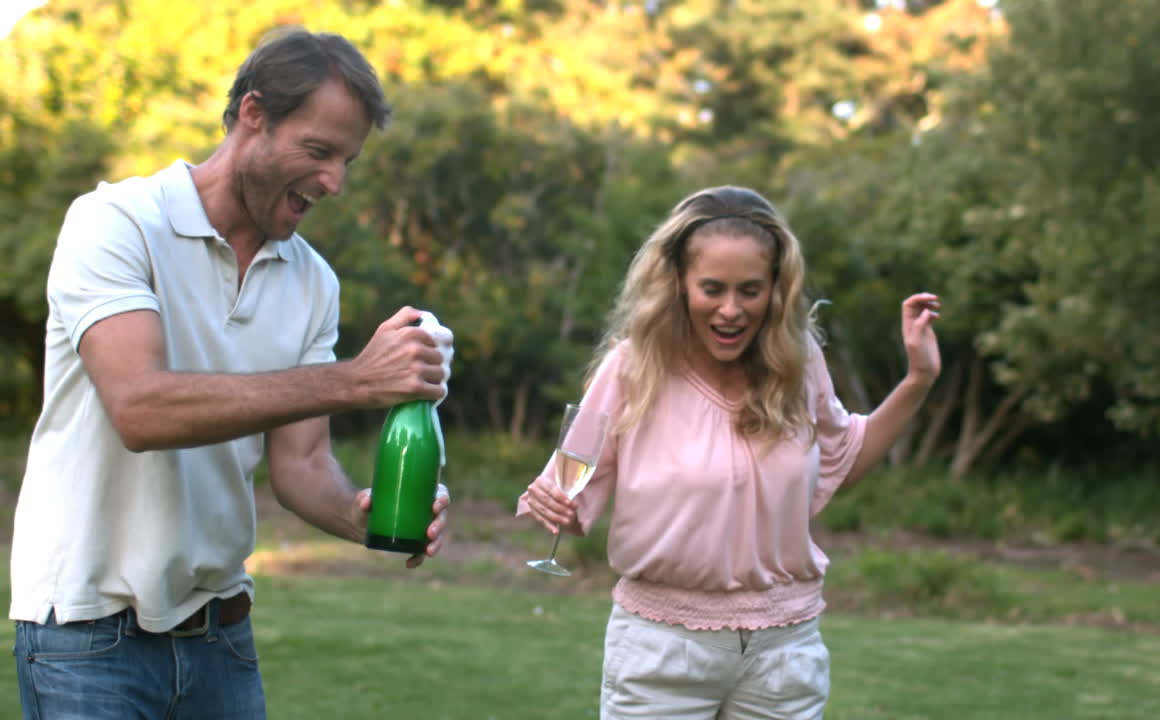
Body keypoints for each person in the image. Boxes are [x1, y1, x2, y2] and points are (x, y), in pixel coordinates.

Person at [9, 28, 454, 719]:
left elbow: (301, 466)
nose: (334, 182)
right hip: (86, 634)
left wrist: (371, 518)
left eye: (346, 160)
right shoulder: (115, 224)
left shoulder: (312, 282)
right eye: (318, 151)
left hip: (223, 636)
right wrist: (357, 381)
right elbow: (140, 410)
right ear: (254, 115)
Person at [519, 185, 941, 719]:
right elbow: (567, 492)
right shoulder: (633, 367)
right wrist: (550, 502)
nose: (731, 309)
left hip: (784, 655)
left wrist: (919, 380)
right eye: (712, 288)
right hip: (662, 652)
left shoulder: (799, 361)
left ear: (775, 290)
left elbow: (843, 460)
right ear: (678, 284)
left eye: (750, 290)